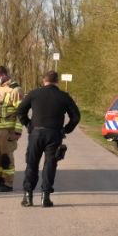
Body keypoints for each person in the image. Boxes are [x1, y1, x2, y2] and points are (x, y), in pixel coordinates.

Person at [16, 71, 80, 207]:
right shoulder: (63, 96)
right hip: (54, 134)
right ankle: (45, 197)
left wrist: (28, 124)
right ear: (57, 81)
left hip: (36, 133)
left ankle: (28, 196)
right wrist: (66, 129)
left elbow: (20, 111)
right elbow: (76, 116)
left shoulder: (33, 94)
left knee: (32, 164)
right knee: (50, 165)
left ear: (43, 81)